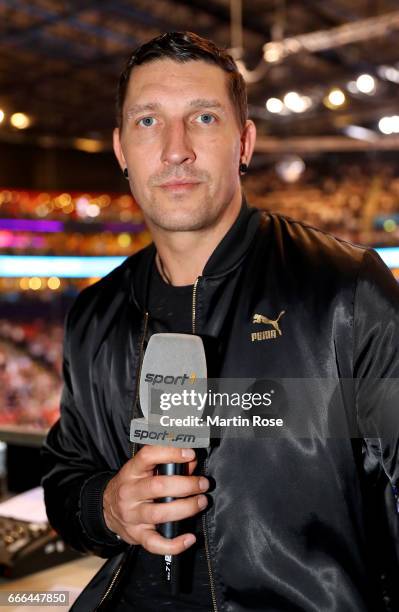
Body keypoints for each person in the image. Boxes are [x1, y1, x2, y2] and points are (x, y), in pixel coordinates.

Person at [41, 31, 399, 612]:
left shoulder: (346, 293)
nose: (175, 148)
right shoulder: (96, 314)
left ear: (244, 142)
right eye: (148, 122)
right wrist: (105, 503)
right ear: (121, 149)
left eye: (203, 118)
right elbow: (64, 474)